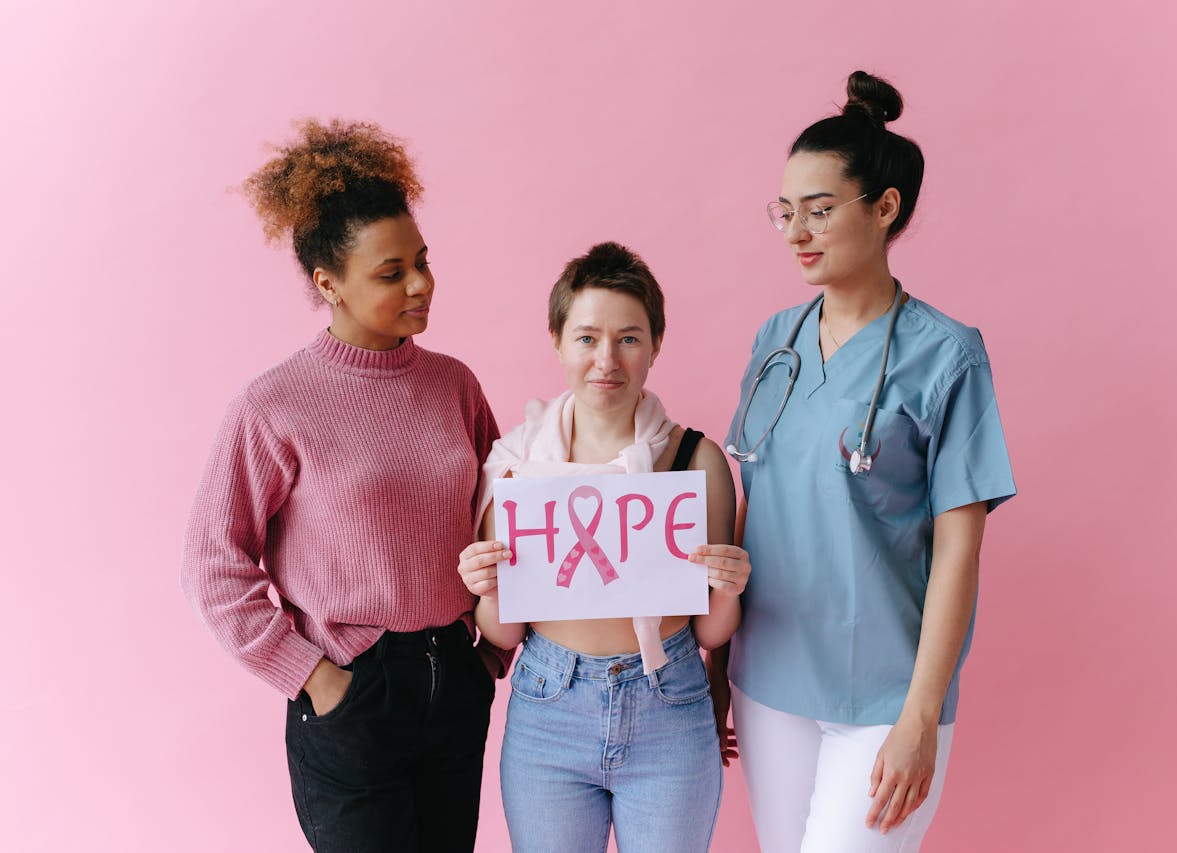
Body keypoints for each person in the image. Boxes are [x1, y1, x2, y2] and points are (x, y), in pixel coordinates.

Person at [181, 119, 508, 853]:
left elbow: (505, 519)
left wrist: (490, 654)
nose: (421, 283)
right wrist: (313, 676)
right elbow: (212, 563)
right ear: (329, 283)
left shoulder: (454, 385)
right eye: (391, 273)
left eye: (422, 261)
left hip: (453, 679)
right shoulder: (275, 404)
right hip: (352, 693)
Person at [713, 71, 1017, 852]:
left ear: (884, 209)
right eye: (785, 212)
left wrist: (920, 714)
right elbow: (759, 503)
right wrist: (718, 662)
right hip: (769, 677)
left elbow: (959, 548)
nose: (796, 232)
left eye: (819, 210)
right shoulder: (775, 337)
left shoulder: (947, 356)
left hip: (886, 691)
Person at [456, 242, 751, 853]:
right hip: (548, 705)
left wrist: (728, 584)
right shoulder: (515, 467)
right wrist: (485, 589)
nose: (606, 360)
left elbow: (711, 631)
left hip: (669, 702)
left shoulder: (696, 459)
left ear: (655, 346)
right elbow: (505, 636)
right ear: (558, 341)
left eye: (629, 338)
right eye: (587, 338)